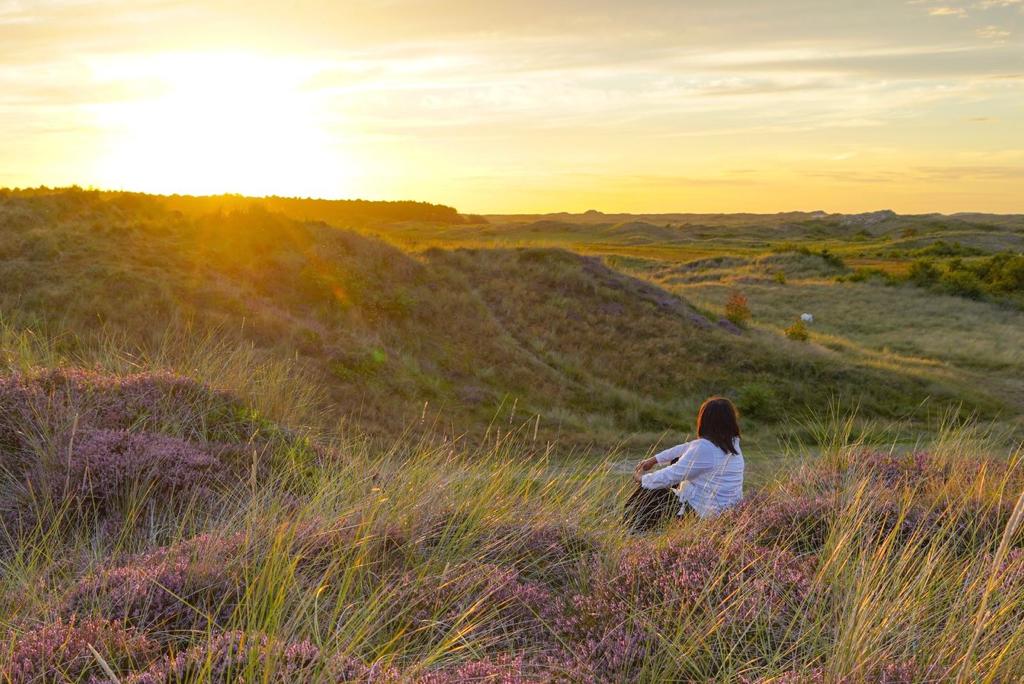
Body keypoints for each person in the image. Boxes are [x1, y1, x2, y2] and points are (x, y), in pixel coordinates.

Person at [622, 397, 744, 532]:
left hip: (705, 515)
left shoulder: (705, 448)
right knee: (675, 461)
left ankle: (631, 529)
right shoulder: (732, 444)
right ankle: (638, 526)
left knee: (652, 490)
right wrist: (655, 459)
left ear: (705, 421)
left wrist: (642, 479)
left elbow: (671, 475)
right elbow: (687, 447)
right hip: (728, 513)